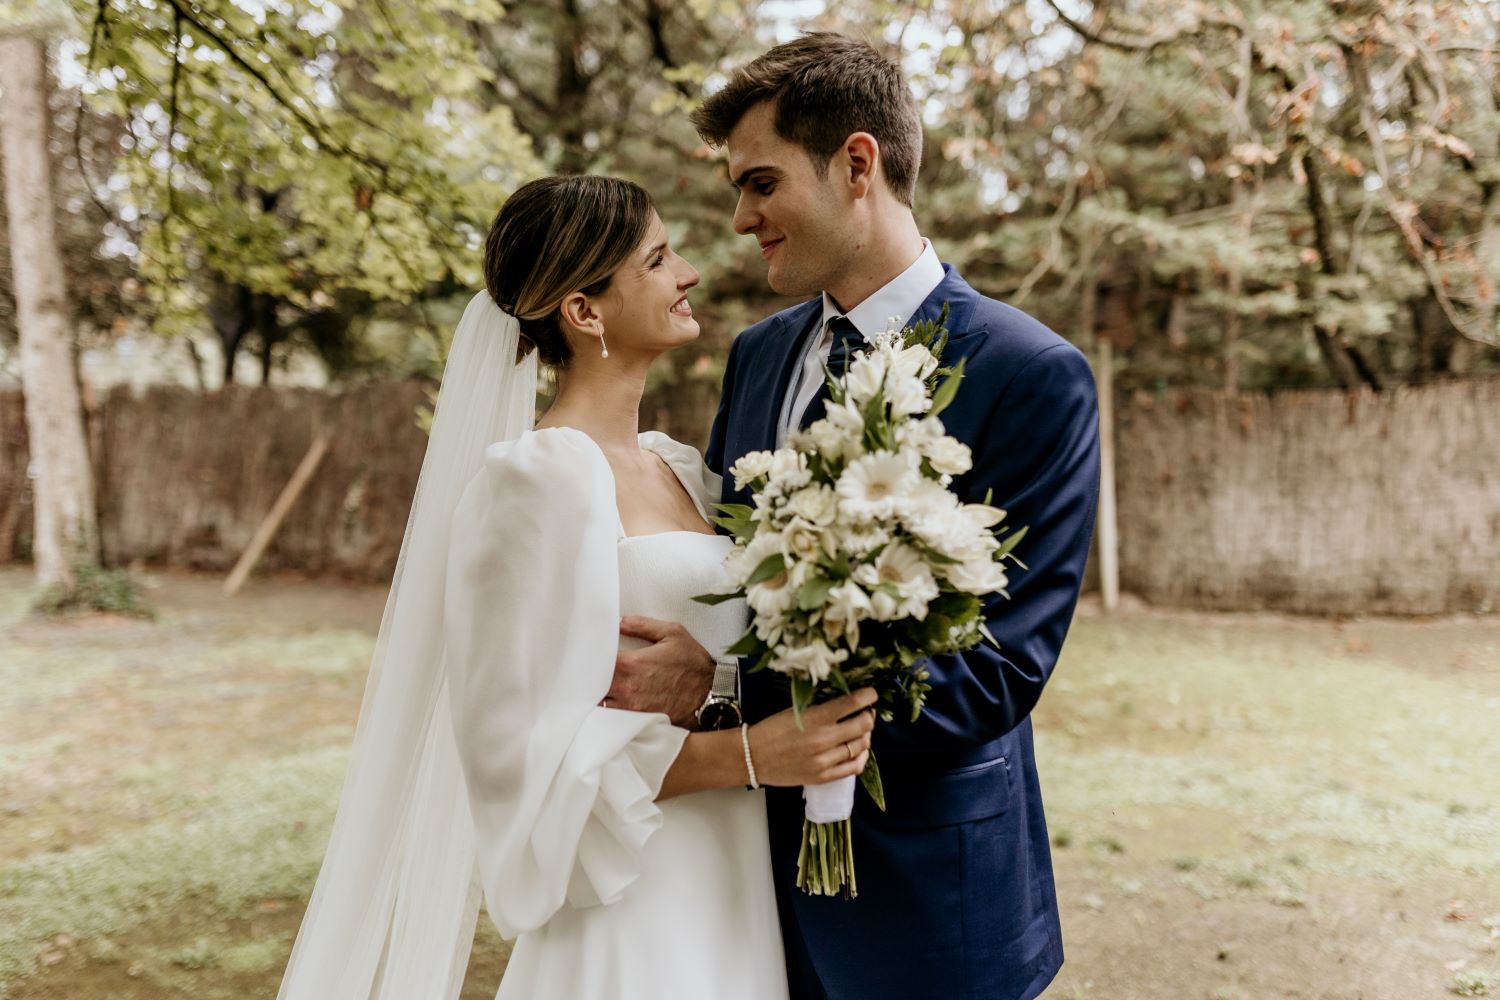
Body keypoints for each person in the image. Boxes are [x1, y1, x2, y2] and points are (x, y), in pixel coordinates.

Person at [275, 174, 876, 1000]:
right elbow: (516, 754)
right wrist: (745, 755)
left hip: (736, 888)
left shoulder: (680, 470)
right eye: (658, 260)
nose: (689, 273)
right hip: (633, 908)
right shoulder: (534, 481)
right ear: (584, 312)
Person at [608, 33, 1101, 1000]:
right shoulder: (757, 355)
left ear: (857, 164)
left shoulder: (1030, 374)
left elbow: (999, 670)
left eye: (761, 183)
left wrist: (727, 685)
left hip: (932, 903)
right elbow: (738, 575)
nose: (741, 219)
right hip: (744, 895)